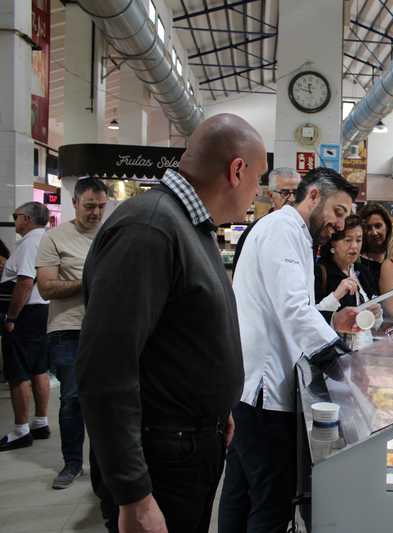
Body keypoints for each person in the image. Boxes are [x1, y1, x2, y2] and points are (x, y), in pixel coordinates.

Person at [77, 113, 266, 533]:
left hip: (189, 443)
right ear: (237, 170)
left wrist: (215, 408)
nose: (258, 192)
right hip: (161, 457)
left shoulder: (188, 225)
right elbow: (105, 369)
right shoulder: (150, 228)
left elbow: (180, 334)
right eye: (259, 178)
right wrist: (134, 494)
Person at [220, 167, 360, 533]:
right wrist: (342, 363)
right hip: (263, 391)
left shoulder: (293, 233)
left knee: (241, 490)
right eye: (338, 212)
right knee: (270, 499)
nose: (340, 225)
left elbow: (288, 307)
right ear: (313, 196)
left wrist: (331, 322)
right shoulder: (282, 230)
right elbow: (293, 309)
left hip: (251, 385)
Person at [36, 178, 108, 489]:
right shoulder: (55, 238)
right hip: (68, 329)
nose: (95, 213)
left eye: (101, 207)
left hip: (106, 331)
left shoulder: (110, 234)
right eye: (89, 206)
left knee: (108, 401)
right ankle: (72, 463)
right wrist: (89, 281)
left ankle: (104, 468)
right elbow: (47, 287)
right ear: (76, 203)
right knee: (73, 399)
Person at [0, 202, 50, 451]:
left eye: (16, 216)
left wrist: (11, 318)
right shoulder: (45, 239)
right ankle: (40, 421)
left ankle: (21, 430)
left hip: (26, 314)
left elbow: (25, 283)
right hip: (41, 311)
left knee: (18, 372)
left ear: (28, 218)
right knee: (39, 368)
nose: (15, 220)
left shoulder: (31, 242)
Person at [232, 167, 301, 274]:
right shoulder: (255, 231)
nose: (292, 199)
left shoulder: (305, 229)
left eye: (296, 193)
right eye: (284, 193)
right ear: (270, 195)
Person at [316, 215, 378, 319]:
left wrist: (376, 314)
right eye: (348, 240)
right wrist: (336, 296)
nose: (354, 246)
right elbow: (311, 317)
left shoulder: (363, 271)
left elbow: (375, 324)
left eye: (358, 240)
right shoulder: (319, 271)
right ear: (332, 244)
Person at [357, 202, 392, 292]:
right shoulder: (356, 263)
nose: (374, 232)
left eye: (378, 226)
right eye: (368, 228)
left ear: (387, 226)